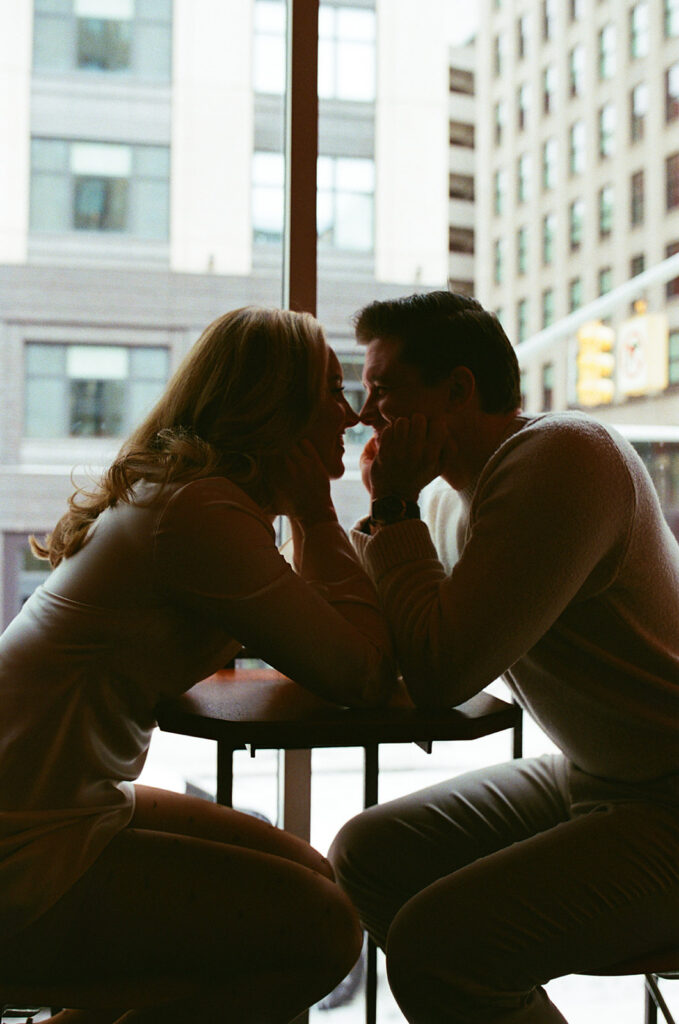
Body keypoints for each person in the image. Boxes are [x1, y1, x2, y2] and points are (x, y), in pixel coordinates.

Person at [0, 306, 397, 1024]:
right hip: (27, 843)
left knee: (315, 879)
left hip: (66, 804)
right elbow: (360, 673)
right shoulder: (198, 512)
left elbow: (335, 644)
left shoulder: (193, 498)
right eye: (330, 390)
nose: (352, 414)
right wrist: (316, 513)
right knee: (322, 930)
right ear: (269, 406)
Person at [328, 290, 679, 1024]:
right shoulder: (458, 499)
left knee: (438, 949)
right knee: (368, 853)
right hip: (603, 773)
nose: (364, 416)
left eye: (382, 391)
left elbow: (441, 671)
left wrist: (392, 508)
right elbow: (400, 638)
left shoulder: (563, 457)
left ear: (457, 389)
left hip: (668, 792)